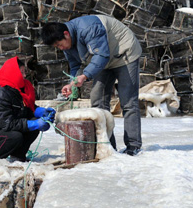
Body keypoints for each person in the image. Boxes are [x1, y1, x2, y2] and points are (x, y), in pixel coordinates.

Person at [40, 15, 142, 156]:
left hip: (124, 54)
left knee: (128, 101)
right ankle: (108, 146)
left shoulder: (88, 28)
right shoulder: (67, 43)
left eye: (59, 44)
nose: (60, 48)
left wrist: (85, 75)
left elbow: (101, 56)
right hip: (103, 60)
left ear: (66, 34)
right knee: (97, 100)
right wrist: (72, 84)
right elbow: (76, 64)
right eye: (57, 47)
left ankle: (133, 146)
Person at [0, 56, 56, 162]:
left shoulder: (18, 89)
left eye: (25, 72)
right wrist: (35, 124)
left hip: (5, 129)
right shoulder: (0, 94)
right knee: (15, 136)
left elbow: (24, 108)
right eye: (21, 72)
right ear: (12, 73)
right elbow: (7, 123)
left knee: (31, 125)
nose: (24, 75)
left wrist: (39, 112)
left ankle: (18, 157)